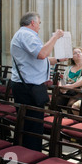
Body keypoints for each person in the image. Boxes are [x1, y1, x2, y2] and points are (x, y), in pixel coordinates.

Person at [10, 12, 65, 152]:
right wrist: (55, 37)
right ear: (33, 23)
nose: (40, 26)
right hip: (28, 88)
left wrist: (58, 59)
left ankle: (27, 153)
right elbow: (42, 54)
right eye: (39, 23)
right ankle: (33, 157)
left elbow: (41, 59)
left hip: (27, 86)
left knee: (30, 123)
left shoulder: (24, 35)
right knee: (33, 125)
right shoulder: (27, 35)